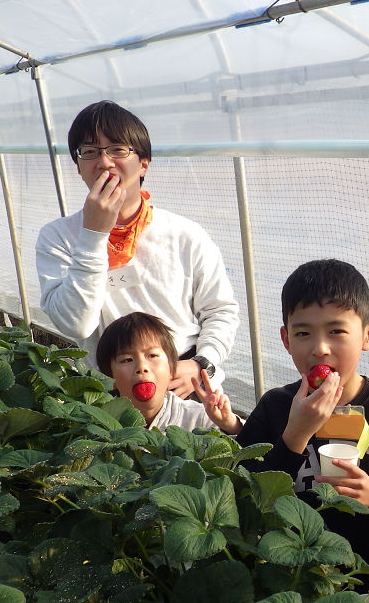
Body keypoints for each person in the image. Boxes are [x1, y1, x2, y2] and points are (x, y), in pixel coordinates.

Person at [36, 100, 239, 398]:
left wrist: (201, 363)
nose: (104, 162)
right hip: (109, 390)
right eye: (90, 152)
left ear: (144, 162)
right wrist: (93, 234)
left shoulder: (184, 234)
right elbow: (76, 324)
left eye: (118, 149)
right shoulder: (58, 237)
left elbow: (220, 311)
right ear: (78, 167)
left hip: (183, 382)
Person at [236, 259, 369, 569]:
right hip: (295, 578)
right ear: (286, 340)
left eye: (336, 330)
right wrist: (295, 435)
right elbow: (244, 501)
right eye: (303, 333)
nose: (320, 348)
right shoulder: (274, 408)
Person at [96, 312, 242, 434]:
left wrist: (230, 424)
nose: (141, 367)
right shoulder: (100, 422)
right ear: (109, 379)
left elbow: (248, 447)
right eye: (127, 360)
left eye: (152, 355)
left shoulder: (200, 417)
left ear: (171, 370)